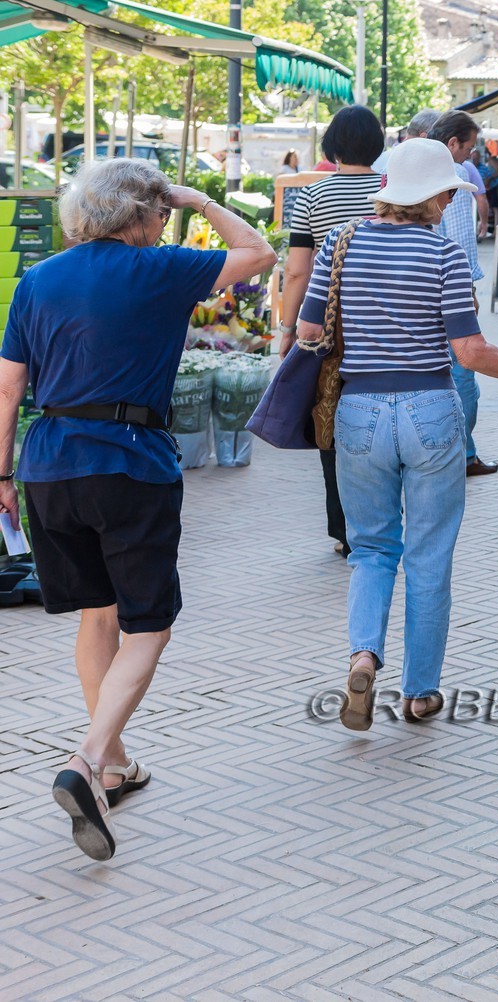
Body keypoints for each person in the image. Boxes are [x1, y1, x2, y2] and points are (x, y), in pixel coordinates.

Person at [0, 159, 276, 859]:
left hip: (49, 464)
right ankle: (89, 759)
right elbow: (259, 253)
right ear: (139, 215)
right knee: (149, 626)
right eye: (159, 212)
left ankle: (115, 764)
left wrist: (1, 473)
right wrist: (201, 200)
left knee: (97, 615)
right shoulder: (160, 269)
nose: (162, 223)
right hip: (129, 462)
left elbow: (7, 390)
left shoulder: (38, 280)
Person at [294, 139, 498, 730]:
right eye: (448, 194)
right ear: (433, 196)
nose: (450, 203)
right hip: (430, 409)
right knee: (428, 556)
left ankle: (363, 656)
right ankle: (419, 692)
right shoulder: (444, 254)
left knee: (372, 550)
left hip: (358, 412)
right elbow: (471, 352)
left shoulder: (341, 243)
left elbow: (308, 331)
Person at [278, 105, 387, 556]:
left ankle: (346, 530)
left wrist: (287, 328)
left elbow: (297, 271)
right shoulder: (391, 189)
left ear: (333, 146)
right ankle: (383, 521)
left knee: (330, 417)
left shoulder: (313, 195)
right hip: (389, 320)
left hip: (330, 327)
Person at [426, 112, 496, 476]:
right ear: (452, 143)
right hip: (448, 290)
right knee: (464, 368)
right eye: (468, 148)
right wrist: (468, 289)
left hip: (428, 289)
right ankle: (463, 454)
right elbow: (457, 241)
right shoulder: (450, 176)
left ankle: (450, 450)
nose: (470, 156)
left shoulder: (419, 170)